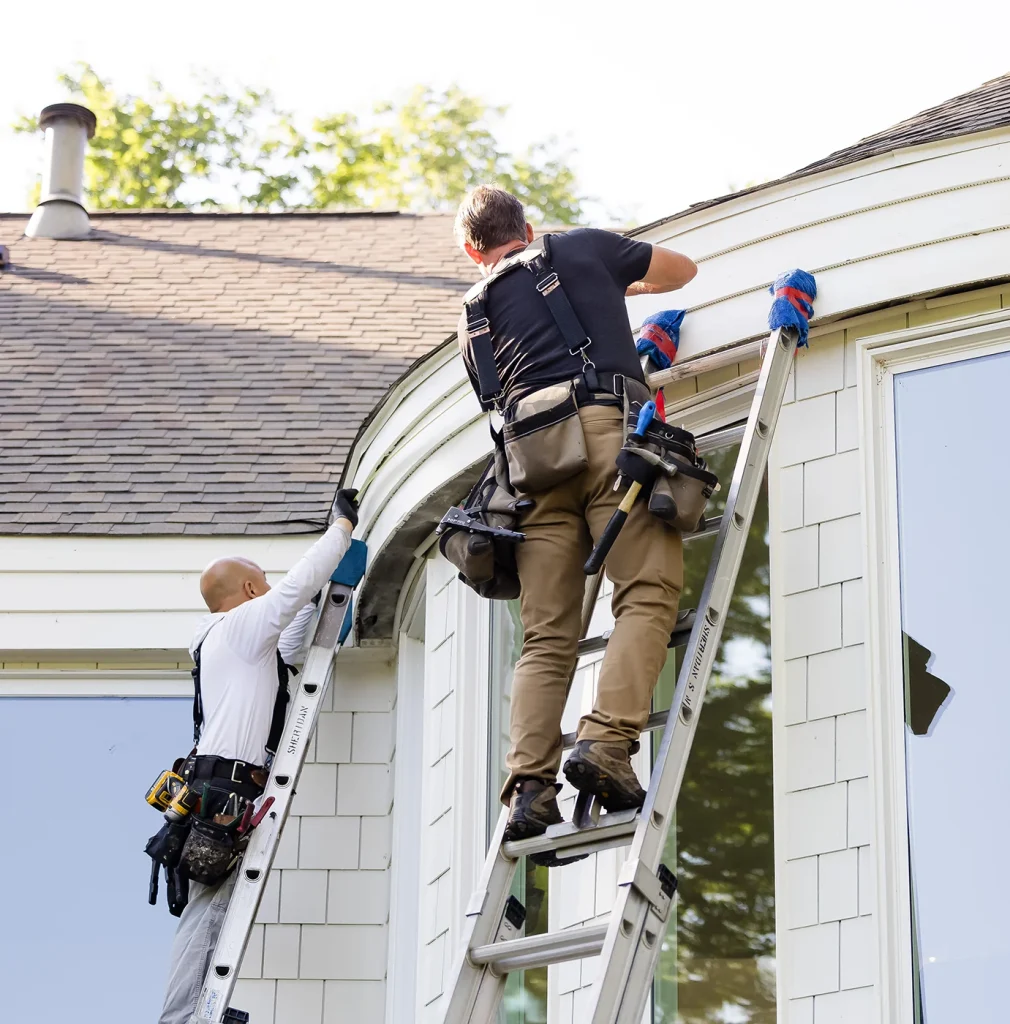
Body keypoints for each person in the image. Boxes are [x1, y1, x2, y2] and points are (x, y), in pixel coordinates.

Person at [453, 185, 697, 844]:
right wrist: (625, 288)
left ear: (474, 251)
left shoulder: (472, 314)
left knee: (546, 637)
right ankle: (606, 743)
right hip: (603, 431)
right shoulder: (582, 249)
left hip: (531, 468)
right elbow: (682, 269)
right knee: (646, 593)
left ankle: (529, 787)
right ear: (528, 228)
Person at [159, 488, 360, 1024]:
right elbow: (297, 589)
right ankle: (183, 1019)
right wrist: (340, 529)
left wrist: (328, 602)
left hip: (211, 788)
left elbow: (293, 643)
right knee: (210, 914)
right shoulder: (239, 628)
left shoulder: (232, 646)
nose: (272, 595)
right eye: (264, 588)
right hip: (226, 792)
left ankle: (188, 1012)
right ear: (250, 590)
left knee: (208, 913)